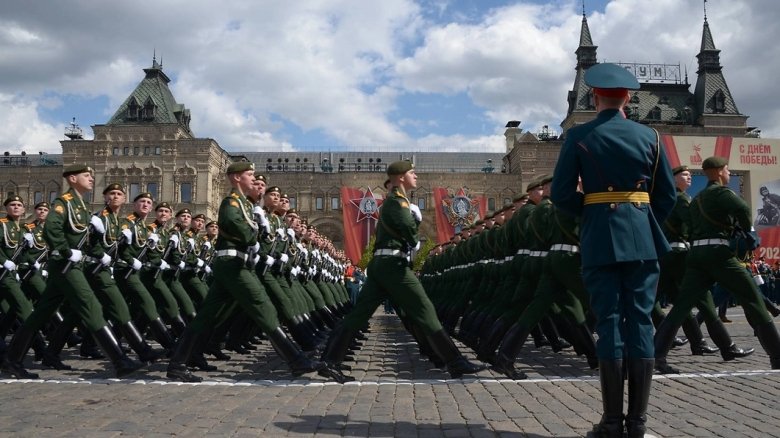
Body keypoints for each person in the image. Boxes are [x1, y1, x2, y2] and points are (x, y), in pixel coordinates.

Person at [551, 63, 676, 437]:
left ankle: (610, 422)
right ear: (629, 98)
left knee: (608, 323)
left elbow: (560, 195)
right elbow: (666, 196)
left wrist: (591, 214)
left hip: (600, 237)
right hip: (641, 237)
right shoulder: (650, 136)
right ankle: (637, 423)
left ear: (594, 97)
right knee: (640, 321)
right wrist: (640, 217)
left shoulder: (579, 136)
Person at [165, 161, 343, 383]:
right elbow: (235, 226)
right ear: (236, 178)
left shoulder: (246, 205)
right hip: (233, 263)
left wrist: (258, 230)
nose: (253, 178)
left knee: (207, 315)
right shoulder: (232, 202)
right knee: (263, 306)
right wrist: (256, 231)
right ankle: (297, 361)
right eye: (249, 174)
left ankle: (178, 363)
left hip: (236, 263)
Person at [320, 160, 486, 381]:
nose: (415, 176)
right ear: (400, 178)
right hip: (393, 267)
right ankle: (455, 361)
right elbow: (409, 233)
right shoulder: (398, 203)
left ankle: (329, 361)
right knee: (425, 309)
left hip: (383, 265)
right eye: (411, 172)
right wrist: (415, 230)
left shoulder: (397, 201)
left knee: (360, 314)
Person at [2, 165, 145, 379]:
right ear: (72, 178)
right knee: (91, 305)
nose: (91, 178)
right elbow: (52, 228)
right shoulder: (64, 203)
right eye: (86, 175)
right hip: (65, 265)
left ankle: (12, 361)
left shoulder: (81, 206)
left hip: (69, 266)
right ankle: (119, 360)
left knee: (39, 314)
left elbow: (83, 238)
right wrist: (67, 251)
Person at [653, 156, 780, 373]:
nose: (729, 174)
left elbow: (691, 227)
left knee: (681, 307)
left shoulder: (698, 198)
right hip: (719, 254)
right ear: (720, 171)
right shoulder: (723, 193)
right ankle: (777, 355)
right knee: (753, 299)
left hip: (696, 256)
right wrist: (743, 232)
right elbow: (743, 210)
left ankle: (657, 356)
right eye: (727, 170)